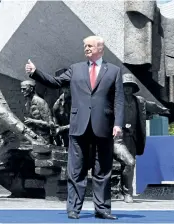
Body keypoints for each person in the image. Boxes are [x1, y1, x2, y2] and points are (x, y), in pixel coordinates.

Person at [25, 35, 124, 220]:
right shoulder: (75, 69)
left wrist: (118, 124)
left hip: (103, 126)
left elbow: (119, 100)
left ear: (100, 48)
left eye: (89, 46)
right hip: (79, 126)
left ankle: (102, 209)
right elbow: (55, 82)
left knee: (102, 170)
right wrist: (35, 72)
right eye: (84, 46)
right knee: (76, 169)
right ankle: (73, 209)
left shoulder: (114, 71)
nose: (86, 48)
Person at [115, 73, 169, 203]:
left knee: (127, 165)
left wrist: (164, 110)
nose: (127, 88)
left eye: (130, 86)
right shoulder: (115, 101)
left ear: (134, 88)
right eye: (125, 86)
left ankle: (123, 192)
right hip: (117, 139)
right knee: (130, 162)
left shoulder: (139, 101)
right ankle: (128, 193)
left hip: (132, 138)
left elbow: (153, 106)